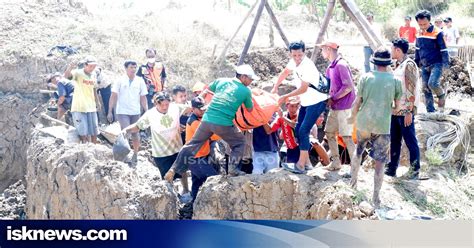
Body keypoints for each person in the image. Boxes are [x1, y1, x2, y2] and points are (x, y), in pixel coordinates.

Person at [164, 64, 257, 181]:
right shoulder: (246, 90)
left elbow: (207, 89)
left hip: (207, 120)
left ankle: (173, 169)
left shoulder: (221, 81)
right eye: (250, 78)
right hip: (224, 122)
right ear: (243, 77)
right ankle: (233, 170)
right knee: (239, 142)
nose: (251, 81)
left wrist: (202, 97)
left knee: (192, 145)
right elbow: (249, 109)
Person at [347, 47, 402, 208]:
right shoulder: (395, 81)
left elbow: (357, 102)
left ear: (374, 62)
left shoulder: (366, 77)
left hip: (364, 121)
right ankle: (376, 198)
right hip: (382, 125)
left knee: (358, 151)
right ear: (388, 63)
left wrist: (352, 117)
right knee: (380, 162)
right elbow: (397, 107)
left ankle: (353, 184)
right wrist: (387, 110)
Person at [272, 40, 328, 173]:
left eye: (299, 55)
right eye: (294, 55)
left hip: (317, 101)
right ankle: (307, 163)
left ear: (304, 53)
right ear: (290, 54)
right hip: (306, 102)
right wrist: (275, 87)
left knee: (303, 131)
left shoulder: (307, 66)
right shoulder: (293, 62)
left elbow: (303, 88)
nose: (297, 58)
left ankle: (301, 165)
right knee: (298, 129)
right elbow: (285, 72)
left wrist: (285, 97)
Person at [121, 91, 190, 195]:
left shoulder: (175, 108)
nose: (164, 107)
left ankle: (185, 190)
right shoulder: (150, 114)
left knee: (182, 170)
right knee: (167, 176)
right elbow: (138, 126)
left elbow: (190, 108)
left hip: (177, 148)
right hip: (161, 152)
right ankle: (174, 196)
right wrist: (126, 130)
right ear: (155, 104)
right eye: (161, 104)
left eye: (167, 104)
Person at [386, 38, 421, 180]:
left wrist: (409, 111)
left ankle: (414, 170)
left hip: (404, 111)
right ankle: (392, 168)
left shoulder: (409, 65)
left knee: (410, 140)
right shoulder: (399, 65)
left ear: (398, 50)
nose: (390, 51)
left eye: (392, 49)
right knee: (395, 140)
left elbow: (411, 89)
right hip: (395, 111)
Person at [318, 41, 356, 171]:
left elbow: (348, 87)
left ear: (328, 49)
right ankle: (335, 162)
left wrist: (333, 98)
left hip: (345, 107)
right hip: (335, 107)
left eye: (323, 49)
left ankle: (355, 167)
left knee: (346, 137)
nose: (321, 52)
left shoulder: (341, 65)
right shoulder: (331, 67)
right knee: (329, 133)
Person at [108, 60, 148, 163]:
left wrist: (146, 110)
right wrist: (109, 111)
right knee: (126, 132)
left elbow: (143, 97)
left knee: (135, 134)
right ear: (126, 68)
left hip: (135, 111)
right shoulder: (120, 80)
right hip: (122, 111)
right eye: (131, 67)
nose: (133, 69)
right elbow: (113, 96)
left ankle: (135, 153)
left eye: (135, 67)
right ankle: (122, 155)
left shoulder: (140, 81)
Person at [185, 96, 220, 201]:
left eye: (203, 108)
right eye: (199, 109)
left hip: (200, 156)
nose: (202, 110)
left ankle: (194, 207)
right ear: (193, 109)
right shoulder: (194, 122)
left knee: (197, 182)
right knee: (213, 179)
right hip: (195, 158)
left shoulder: (200, 118)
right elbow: (213, 136)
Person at [415, 9, 450, 113]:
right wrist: (416, 62)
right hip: (424, 64)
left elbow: (444, 49)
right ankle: (430, 111)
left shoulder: (438, 32)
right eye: (420, 24)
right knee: (425, 88)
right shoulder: (418, 32)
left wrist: (446, 65)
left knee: (433, 83)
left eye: (424, 24)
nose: (423, 26)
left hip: (437, 63)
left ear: (429, 21)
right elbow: (417, 49)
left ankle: (441, 95)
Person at [64, 56, 101, 143]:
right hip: (79, 106)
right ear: (85, 65)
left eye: (94, 66)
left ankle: (94, 147)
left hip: (91, 106)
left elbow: (94, 88)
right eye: (91, 66)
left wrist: (98, 102)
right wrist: (69, 68)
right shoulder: (78, 73)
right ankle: (85, 146)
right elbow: (67, 76)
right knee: (82, 130)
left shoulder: (94, 75)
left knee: (94, 130)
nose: (92, 68)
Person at [268, 97, 300, 164]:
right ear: (286, 106)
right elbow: (270, 130)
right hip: (290, 148)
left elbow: (294, 125)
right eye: (292, 106)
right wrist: (263, 119)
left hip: (301, 147)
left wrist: (282, 117)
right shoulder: (281, 116)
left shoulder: (300, 115)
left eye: (296, 106)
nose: (294, 109)